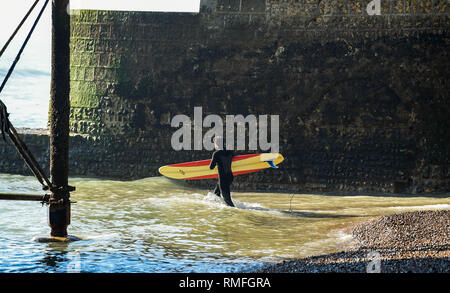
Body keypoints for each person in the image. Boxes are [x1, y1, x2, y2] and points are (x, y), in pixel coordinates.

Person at [209, 136, 234, 207]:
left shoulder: (216, 154)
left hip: (223, 179)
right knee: (216, 193)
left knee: (228, 201)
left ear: (216, 144)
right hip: (230, 177)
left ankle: (236, 212)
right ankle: (217, 207)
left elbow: (211, 167)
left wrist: (215, 160)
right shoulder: (230, 152)